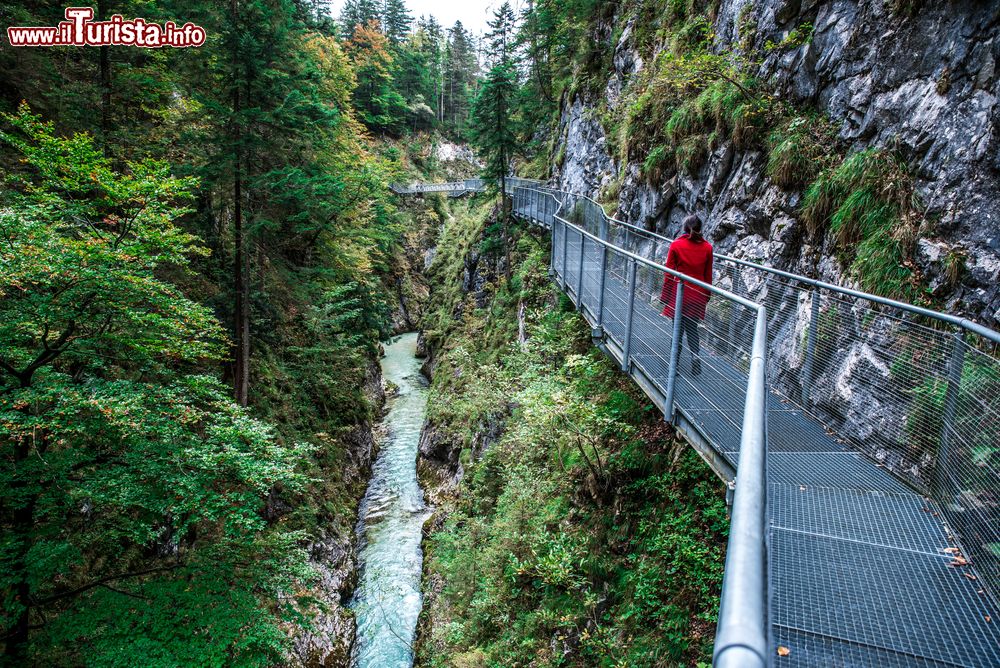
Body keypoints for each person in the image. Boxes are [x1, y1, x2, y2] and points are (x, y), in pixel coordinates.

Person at [660, 214, 713, 376]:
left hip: (680, 294)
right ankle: (695, 358)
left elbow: (668, 274)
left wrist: (665, 296)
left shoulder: (676, 245)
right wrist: (706, 297)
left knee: (678, 330)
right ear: (700, 228)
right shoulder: (708, 248)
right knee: (692, 329)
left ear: (684, 228)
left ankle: (674, 366)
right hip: (698, 295)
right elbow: (708, 275)